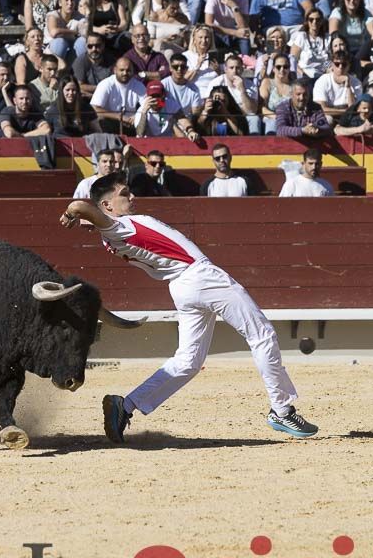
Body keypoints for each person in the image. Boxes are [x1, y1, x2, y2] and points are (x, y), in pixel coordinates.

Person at [61, 173, 318, 441]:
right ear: (107, 206)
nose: (132, 197)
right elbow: (80, 206)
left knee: (188, 361)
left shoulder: (110, 234)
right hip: (201, 277)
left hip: (181, 286)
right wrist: (71, 213)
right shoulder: (120, 227)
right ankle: (282, 410)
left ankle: (125, 407)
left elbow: (91, 213)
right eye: (124, 193)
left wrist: (93, 220)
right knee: (261, 334)